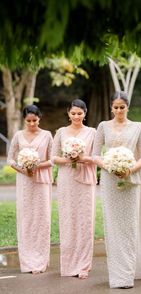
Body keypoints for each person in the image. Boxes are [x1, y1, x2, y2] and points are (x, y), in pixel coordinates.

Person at [92, 91, 141, 289]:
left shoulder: (137, 127)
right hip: (109, 180)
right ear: (111, 108)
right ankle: (117, 276)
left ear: (127, 107)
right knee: (113, 226)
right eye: (115, 107)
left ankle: (129, 274)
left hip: (130, 181)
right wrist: (110, 166)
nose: (118, 111)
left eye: (122, 107)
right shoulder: (103, 126)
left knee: (129, 226)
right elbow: (95, 155)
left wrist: (129, 169)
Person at [52, 98, 96, 279]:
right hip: (67, 179)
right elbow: (53, 157)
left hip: (85, 179)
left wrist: (82, 157)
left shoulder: (92, 132)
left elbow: (95, 156)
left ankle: (84, 265)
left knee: (85, 220)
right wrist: (70, 159)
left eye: (80, 113)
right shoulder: (61, 132)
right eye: (73, 113)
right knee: (68, 219)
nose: (76, 116)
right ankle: (69, 264)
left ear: (85, 114)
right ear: (68, 113)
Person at [7, 105, 53, 274]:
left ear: (39, 118)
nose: (32, 123)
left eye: (35, 120)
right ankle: (27, 260)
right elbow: (11, 159)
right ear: (24, 120)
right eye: (28, 121)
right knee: (26, 219)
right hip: (24, 182)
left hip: (41, 181)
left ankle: (41, 259)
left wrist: (37, 165)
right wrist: (23, 169)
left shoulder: (47, 135)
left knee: (42, 219)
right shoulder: (18, 136)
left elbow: (53, 159)